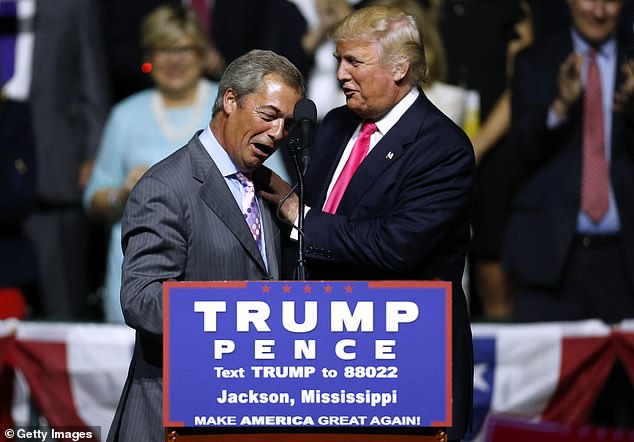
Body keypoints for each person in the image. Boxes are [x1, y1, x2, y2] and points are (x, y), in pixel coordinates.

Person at [259, 6, 475, 440]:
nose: (340, 74)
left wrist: (297, 214)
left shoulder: (443, 148)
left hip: (407, 369)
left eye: (354, 62)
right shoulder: (336, 124)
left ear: (400, 68)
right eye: (339, 59)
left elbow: (394, 247)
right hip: (328, 366)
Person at [106, 49, 304, 442]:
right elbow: (142, 298)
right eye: (269, 116)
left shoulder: (265, 188)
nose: (279, 133)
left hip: (242, 413)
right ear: (230, 101)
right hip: (175, 414)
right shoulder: (166, 187)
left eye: (288, 123)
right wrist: (238, 314)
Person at [83, 4, 219, 323]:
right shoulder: (125, 115)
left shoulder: (227, 107)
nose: (174, 59)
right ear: (149, 56)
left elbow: (271, 189)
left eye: (184, 48)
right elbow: (93, 199)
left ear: (201, 53)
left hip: (212, 284)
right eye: (163, 49)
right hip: (137, 283)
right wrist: (122, 193)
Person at [503, 0, 634, 323]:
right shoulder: (534, 60)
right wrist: (559, 107)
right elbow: (517, 155)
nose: (599, 11)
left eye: (611, 1)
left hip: (623, 261)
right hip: (550, 259)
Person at [2, 0, 110, 319]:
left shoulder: (70, 6)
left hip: (51, 168)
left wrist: (93, 155)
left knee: (60, 298)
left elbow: (93, 84)